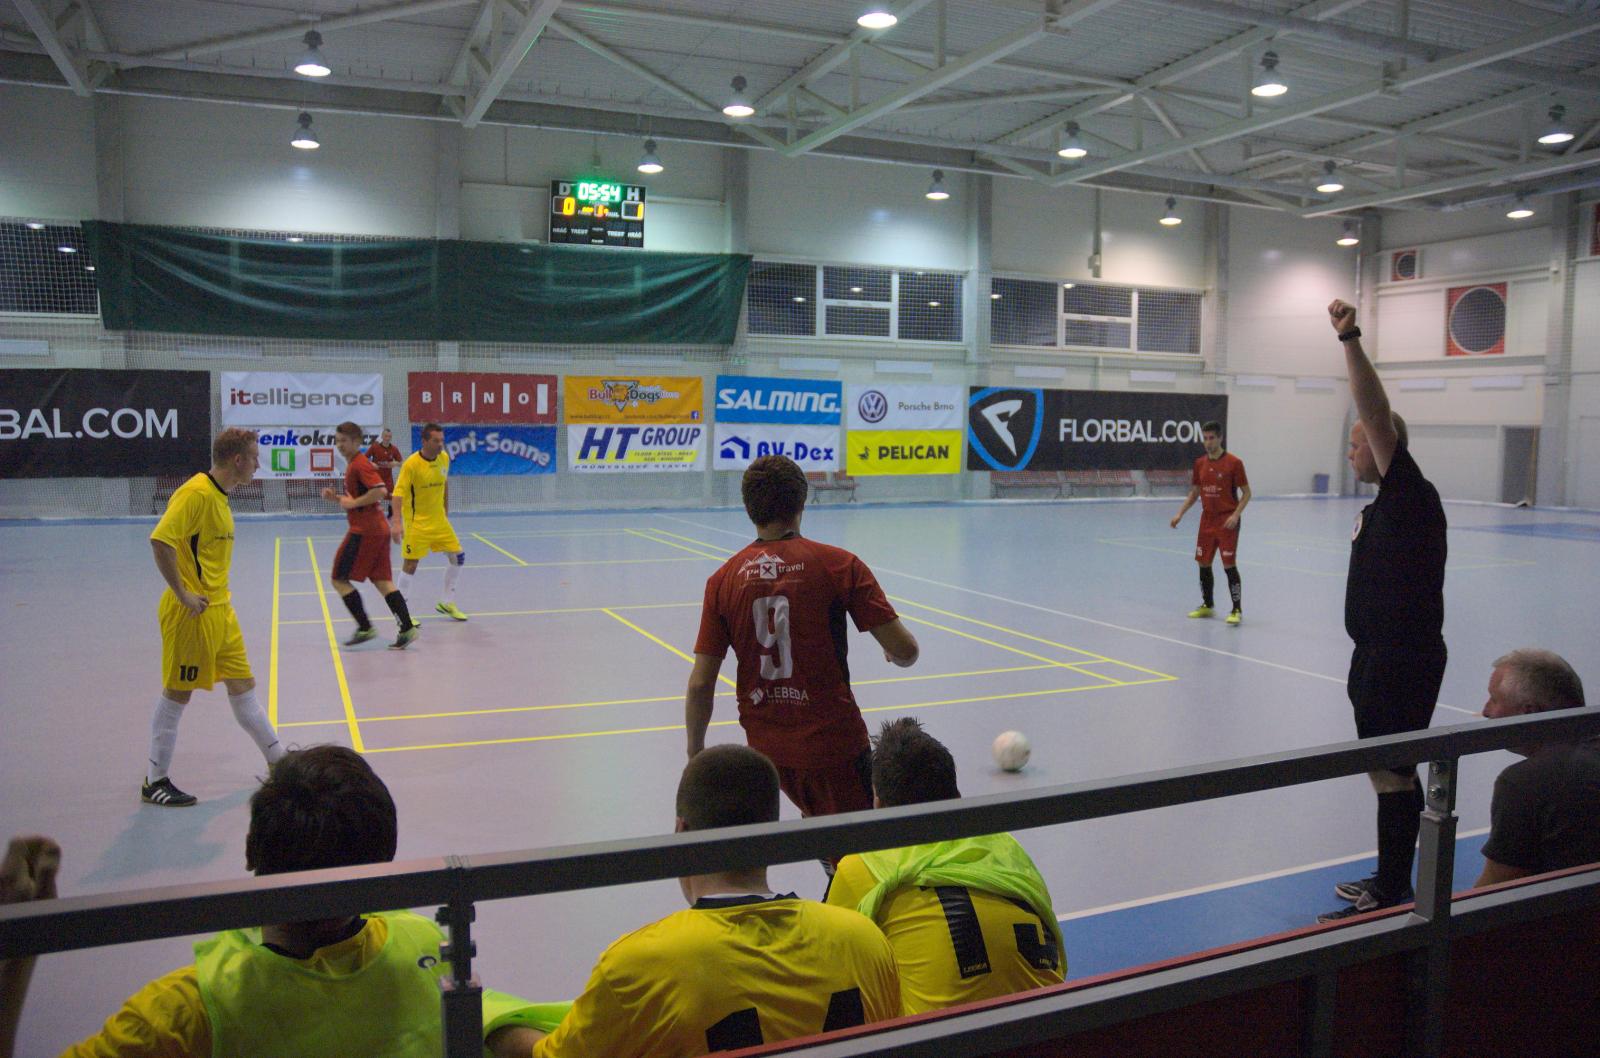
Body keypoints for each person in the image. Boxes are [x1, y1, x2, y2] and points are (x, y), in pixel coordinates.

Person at [0, 748, 557, 1058]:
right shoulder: (425, 943)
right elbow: (482, 1022)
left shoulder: (183, 1014)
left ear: (251, 850)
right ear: (381, 874)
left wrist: (16, 949)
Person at [486, 745, 901, 1058]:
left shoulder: (638, 965)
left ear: (682, 831)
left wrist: (494, 1026)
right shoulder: (864, 941)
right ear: (771, 833)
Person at [685, 455, 920, 822]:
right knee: (859, 844)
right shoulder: (839, 564)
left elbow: (701, 684)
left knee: (809, 826)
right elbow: (906, 650)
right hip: (833, 747)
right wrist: (895, 654)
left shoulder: (722, 580)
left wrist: (695, 752)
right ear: (801, 502)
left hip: (765, 752)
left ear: (748, 508)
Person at [1319, 298, 1449, 924]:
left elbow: (1373, 410)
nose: (1352, 453)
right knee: (1387, 770)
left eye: (1358, 444)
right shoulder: (1379, 508)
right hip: (1373, 657)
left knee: (1390, 772)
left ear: (1382, 445)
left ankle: (1393, 888)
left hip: (1401, 660)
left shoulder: (1411, 495)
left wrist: (1350, 340)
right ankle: (1393, 873)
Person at [824, 718, 1064, 1014]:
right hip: (1055, 1024)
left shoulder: (861, 867)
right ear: (957, 796)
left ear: (878, 804)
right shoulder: (1006, 846)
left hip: (946, 1036)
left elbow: (832, 972)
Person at [142, 428, 284, 807]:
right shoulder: (197, 493)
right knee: (178, 692)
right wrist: (183, 594)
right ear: (237, 460)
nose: (257, 465)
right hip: (192, 614)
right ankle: (154, 780)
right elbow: (160, 540)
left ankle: (280, 763)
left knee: (243, 686)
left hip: (222, 612)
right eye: (254, 457)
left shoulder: (220, 496)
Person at [1475, 648, 1599, 887]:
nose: (1486, 711)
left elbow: (1495, 890)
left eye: (1494, 699)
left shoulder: (1522, 783)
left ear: (1529, 712)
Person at [322, 421, 418, 650]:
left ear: (356, 441)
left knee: (338, 578)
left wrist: (353, 503)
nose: (340, 445)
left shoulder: (359, 464)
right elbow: (360, 498)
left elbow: (380, 491)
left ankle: (365, 627)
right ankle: (407, 628)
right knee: (383, 582)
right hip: (377, 529)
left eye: (344, 441)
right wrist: (337, 498)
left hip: (365, 531)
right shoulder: (354, 465)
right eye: (337, 441)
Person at [1170, 420, 1251, 625]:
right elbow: (1195, 493)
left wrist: (1235, 515)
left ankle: (1236, 609)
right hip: (1207, 520)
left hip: (1227, 521)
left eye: (1212, 438)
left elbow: (1247, 493)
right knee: (1203, 562)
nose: (1208, 442)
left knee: (1228, 564)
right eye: (1205, 438)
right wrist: (1180, 513)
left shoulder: (1234, 463)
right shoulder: (1200, 463)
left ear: (1220, 438)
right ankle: (1207, 604)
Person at [390, 423, 469, 622]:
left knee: (457, 557)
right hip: (417, 523)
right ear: (424, 441)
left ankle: (447, 602)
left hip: (439, 521)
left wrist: (445, 513)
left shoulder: (444, 458)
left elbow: (444, 484)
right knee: (411, 564)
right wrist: (397, 523)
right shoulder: (411, 464)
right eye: (435, 440)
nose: (440, 444)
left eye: (442, 440)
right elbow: (398, 494)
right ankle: (401, 614)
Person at [365, 427, 404, 518]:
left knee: (391, 496)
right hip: (376, 477)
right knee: (375, 496)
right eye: (386, 436)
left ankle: (391, 512)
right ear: (382, 436)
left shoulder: (394, 449)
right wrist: (371, 464)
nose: (387, 438)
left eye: (389, 436)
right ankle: (374, 513)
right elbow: (364, 459)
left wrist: (396, 463)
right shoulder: (375, 447)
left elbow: (402, 463)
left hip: (387, 477)